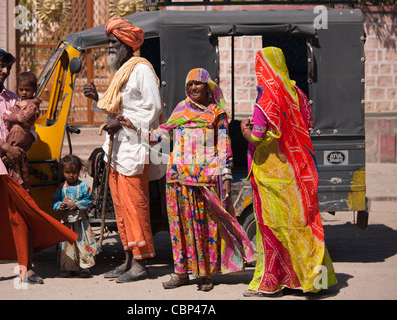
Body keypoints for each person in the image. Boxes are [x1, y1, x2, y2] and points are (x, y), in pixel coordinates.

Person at [118, 68, 255, 291]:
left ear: (208, 87)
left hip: (205, 181)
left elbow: (223, 146)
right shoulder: (180, 110)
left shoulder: (216, 114)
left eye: (197, 84)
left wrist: (226, 176)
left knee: (206, 229)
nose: (192, 88)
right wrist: (135, 128)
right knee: (179, 229)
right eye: (189, 84)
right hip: (177, 181)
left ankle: (206, 275)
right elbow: (161, 135)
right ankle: (181, 273)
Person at [0, 48, 78, 287]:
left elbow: (32, 132)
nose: (4, 71)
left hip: (16, 167)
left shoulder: (16, 98)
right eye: (0, 66)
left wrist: (18, 148)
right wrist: (6, 147)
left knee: (22, 217)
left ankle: (27, 266)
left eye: (7, 68)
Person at [240, 47, 337, 297]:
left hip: (273, 174)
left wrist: (245, 132)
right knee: (303, 224)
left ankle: (272, 283)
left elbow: (259, 137)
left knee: (273, 227)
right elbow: (307, 124)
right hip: (300, 170)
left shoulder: (266, 100)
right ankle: (313, 280)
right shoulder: (297, 94)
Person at [83, 17, 165, 283]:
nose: (109, 46)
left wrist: (123, 124)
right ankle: (128, 259)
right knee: (120, 208)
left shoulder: (141, 69)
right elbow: (116, 108)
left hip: (134, 147)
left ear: (128, 44)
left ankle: (141, 264)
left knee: (135, 206)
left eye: (113, 42)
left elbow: (153, 109)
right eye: (109, 41)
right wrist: (97, 99)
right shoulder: (121, 72)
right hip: (117, 149)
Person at [52, 154, 98, 278]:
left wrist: (77, 204)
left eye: (74, 172)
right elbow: (54, 202)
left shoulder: (83, 187)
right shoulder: (61, 188)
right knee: (67, 246)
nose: (71, 175)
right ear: (62, 172)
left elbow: (89, 200)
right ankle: (69, 268)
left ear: (79, 171)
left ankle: (85, 267)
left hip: (80, 223)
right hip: (66, 224)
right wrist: (60, 205)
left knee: (82, 244)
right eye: (67, 172)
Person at [2, 71, 40, 191]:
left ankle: (18, 178)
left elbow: (22, 117)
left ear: (34, 89)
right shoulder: (21, 101)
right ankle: (20, 178)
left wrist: (9, 117)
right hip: (17, 132)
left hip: (20, 132)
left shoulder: (31, 104)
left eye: (27, 89)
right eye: (21, 89)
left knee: (12, 154)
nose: (24, 92)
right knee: (18, 157)